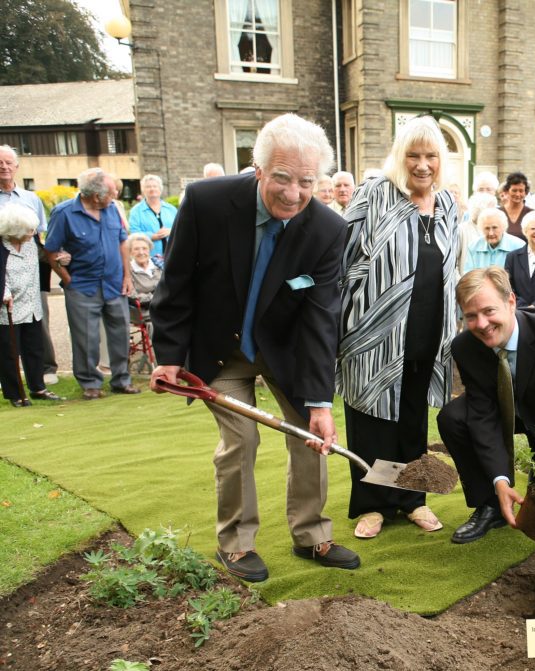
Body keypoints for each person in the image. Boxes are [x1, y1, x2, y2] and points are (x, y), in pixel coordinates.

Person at [149, 113, 356, 582]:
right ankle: (237, 543)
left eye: (306, 182)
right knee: (241, 439)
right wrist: (169, 358)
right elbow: (175, 284)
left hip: (282, 351)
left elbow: (320, 318)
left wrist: (321, 402)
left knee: (309, 432)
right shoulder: (206, 202)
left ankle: (311, 534)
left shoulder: (328, 230)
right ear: (258, 168)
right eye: (281, 177)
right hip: (220, 349)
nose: (292, 193)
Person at [336, 116, 459, 540]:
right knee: (372, 421)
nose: (422, 165)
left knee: (410, 420)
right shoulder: (374, 194)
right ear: (399, 157)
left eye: (431, 156)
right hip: (374, 334)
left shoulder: (448, 206)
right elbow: (342, 259)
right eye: (413, 155)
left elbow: (450, 270)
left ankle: (411, 500)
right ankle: (374, 504)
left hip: (426, 334)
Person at [437, 267, 535, 542]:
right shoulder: (465, 347)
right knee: (453, 416)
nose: (481, 324)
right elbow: (482, 414)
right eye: (471, 316)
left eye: (489, 311)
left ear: (511, 302)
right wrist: (500, 480)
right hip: (504, 411)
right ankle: (491, 505)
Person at [44, 168, 138, 400]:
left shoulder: (112, 210)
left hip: (114, 284)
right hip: (83, 286)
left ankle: (121, 380)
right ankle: (90, 384)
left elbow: (122, 243)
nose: (116, 194)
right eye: (112, 191)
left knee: (120, 333)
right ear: (96, 195)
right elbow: (51, 249)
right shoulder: (64, 213)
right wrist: (67, 279)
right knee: (86, 338)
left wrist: (127, 277)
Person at [0, 144, 61, 385]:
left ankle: (42, 377)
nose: (3, 167)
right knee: (6, 337)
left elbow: (42, 238)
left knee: (37, 326)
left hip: (30, 271)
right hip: (4, 269)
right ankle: (11, 384)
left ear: (16, 167)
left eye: (8, 163)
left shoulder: (30, 198)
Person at [0, 204, 63, 405]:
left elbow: (47, 258)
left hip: (31, 303)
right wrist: (4, 291)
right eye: (28, 230)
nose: (32, 233)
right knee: (10, 352)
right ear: (14, 230)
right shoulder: (2, 247)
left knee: (35, 348)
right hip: (8, 307)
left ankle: (38, 387)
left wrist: (63, 257)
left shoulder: (30, 243)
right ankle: (15, 393)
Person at [127, 174, 177, 262]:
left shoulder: (171, 209)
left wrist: (171, 231)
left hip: (173, 256)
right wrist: (152, 236)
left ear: (160, 189)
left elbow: (181, 228)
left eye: (155, 186)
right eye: (148, 187)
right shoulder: (136, 211)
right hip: (149, 257)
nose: (152, 189)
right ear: (143, 190)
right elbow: (134, 233)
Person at [456, 192, 498, 275]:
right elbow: (453, 262)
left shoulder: (496, 230)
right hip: (467, 283)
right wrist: (460, 283)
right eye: (492, 209)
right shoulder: (461, 230)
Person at [126, 233, 162, 306]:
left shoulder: (159, 264)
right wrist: (160, 298)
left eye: (144, 248)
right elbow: (132, 295)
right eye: (136, 249)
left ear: (150, 250)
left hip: (167, 307)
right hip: (146, 313)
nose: (141, 252)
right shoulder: (128, 270)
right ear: (130, 252)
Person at [499, 171, 533, 239]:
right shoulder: (497, 213)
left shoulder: (531, 214)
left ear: (526, 192)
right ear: (507, 191)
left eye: (521, 191)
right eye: (514, 190)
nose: (517, 194)